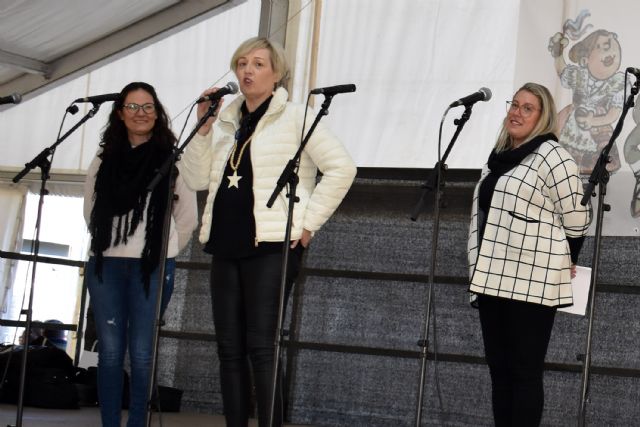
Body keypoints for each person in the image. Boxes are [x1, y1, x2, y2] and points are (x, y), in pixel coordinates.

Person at [178, 37, 357, 426]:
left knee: (262, 346)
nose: (247, 71)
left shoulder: (297, 116)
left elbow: (343, 168)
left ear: (276, 74)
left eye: (258, 64)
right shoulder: (225, 121)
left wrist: (308, 224)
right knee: (229, 348)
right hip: (225, 244)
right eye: (242, 63)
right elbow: (192, 177)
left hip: (273, 246)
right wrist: (203, 128)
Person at [467, 82, 592, 426]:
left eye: (527, 108)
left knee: (524, 372)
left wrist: (569, 257)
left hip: (531, 282)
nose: (516, 112)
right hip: (492, 278)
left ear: (542, 117)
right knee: (499, 372)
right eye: (514, 104)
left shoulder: (553, 155)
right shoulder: (497, 157)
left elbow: (578, 217)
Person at [83, 82, 198, 427]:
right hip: (107, 263)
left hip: (153, 264)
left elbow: (187, 216)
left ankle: (137, 423)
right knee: (111, 352)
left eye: (148, 107)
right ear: (120, 114)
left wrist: (164, 249)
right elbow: (90, 209)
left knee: (143, 353)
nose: (141, 114)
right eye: (132, 107)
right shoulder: (103, 158)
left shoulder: (173, 158)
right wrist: (113, 241)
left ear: (158, 112)